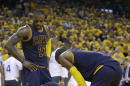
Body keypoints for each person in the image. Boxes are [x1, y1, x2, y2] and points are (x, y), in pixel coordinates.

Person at [5, 10, 54, 86]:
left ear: (44, 20)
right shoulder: (26, 30)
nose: (38, 23)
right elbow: (8, 45)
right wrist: (23, 61)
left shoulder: (46, 29)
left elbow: (47, 42)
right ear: (32, 18)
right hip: (32, 68)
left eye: (41, 21)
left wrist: (47, 56)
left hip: (44, 68)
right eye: (36, 21)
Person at [55, 47, 122, 86]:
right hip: (117, 69)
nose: (62, 65)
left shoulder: (62, 56)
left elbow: (75, 73)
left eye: (59, 63)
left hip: (105, 68)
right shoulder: (79, 60)